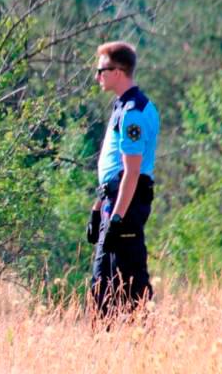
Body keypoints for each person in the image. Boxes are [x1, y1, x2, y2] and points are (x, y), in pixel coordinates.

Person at [89, 41, 159, 316]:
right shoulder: (123, 107)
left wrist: (117, 218)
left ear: (117, 71)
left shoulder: (133, 113)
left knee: (128, 278)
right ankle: (106, 343)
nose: (98, 77)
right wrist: (98, 209)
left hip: (126, 203)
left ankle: (139, 340)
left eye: (101, 70)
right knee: (104, 280)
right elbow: (115, 171)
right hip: (115, 199)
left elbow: (131, 172)